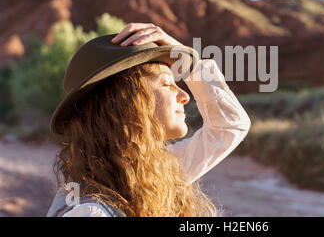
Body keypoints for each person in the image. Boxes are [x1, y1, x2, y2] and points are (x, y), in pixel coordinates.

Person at [46, 23, 251, 217]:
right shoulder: (90, 211)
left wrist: (188, 62)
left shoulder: (154, 170)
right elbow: (229, 127)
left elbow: (230, 125)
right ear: (126, 101)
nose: (185, 96)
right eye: (166, 84)